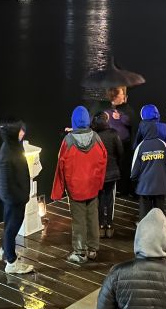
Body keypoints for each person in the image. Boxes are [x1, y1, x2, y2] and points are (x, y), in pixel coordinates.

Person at [51, 106, 108, 264]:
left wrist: (59, 190)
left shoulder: (68, 141)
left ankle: (80, 252)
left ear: (73, 121)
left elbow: (61, 165)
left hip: (75, 188)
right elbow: (103, 160)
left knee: (79, 220)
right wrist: (99, 182)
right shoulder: (96, 137)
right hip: (92, 186)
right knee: (93, 217)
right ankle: (92, 250)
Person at [0, 118, 34, 274]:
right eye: (20, 130)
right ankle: (11, 262)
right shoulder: (8, 154)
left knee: (9, 225)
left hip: (12, 196)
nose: (23, 132)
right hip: (14, 197)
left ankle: (4, 251)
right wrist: (21, 196)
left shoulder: (12, 147)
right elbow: (10, 181)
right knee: (12, 228)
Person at [92, 87, 137, 195]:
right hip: (110, 145)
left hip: (125, 145)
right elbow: (95, 121)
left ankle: (125, 189)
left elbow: (131, 121)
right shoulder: (104, 108)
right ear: (115, 96)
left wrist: (120, 117)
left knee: (125, 167)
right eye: (121, 94)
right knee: (113, 168)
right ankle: (115, 190)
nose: (123, 96)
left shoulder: (126, 108)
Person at [131, 116, 166, 219]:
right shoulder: (163, 144)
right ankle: (160, 228)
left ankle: (145, 228)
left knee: (144, 214)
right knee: (160, 214)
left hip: (144, 187)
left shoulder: (140, 146)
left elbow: (134, 171)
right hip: (161, 186)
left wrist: (134, 182)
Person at [92, 111, 125, 239]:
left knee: (100, 199)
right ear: (107, 120)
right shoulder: (113, 133)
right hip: (112, 172)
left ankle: (101, 226)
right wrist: (117, 165)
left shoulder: (94, 135)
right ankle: (109, 226)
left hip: (98, 173)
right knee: (110, 199)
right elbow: (120, 152)